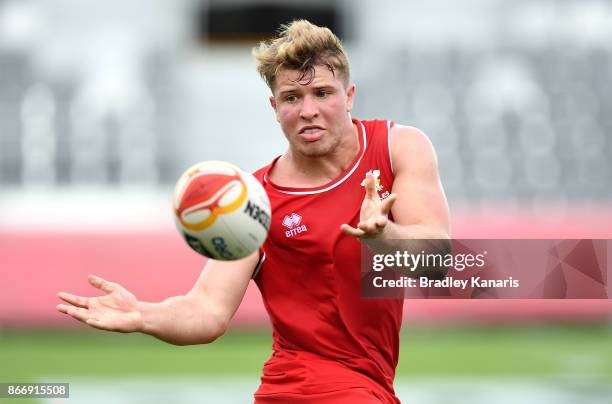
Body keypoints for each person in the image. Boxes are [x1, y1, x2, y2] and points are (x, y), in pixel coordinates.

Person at [57, 20, 450, 403]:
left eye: (323, 93)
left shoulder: (400, 147)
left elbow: (437, 261)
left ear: (348, 96)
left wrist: (385, 238)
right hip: (312, 389)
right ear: (274, 106)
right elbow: (208, 309)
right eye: (292, 98)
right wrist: (143, 315)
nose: (308, 109)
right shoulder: (252, 199)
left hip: (366, 385)